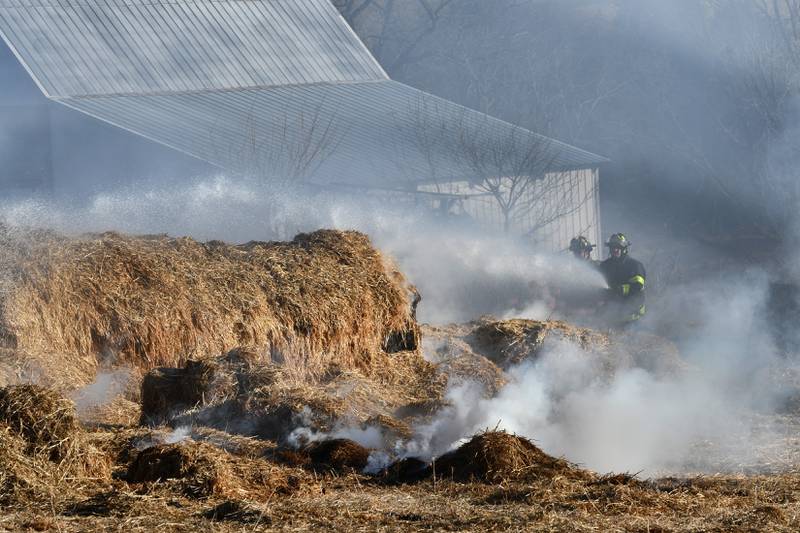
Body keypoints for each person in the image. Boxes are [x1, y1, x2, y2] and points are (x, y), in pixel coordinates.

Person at [597, 233, 646, 327]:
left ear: (624, 248)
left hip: (633, 318)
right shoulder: (605, 266)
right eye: (612, 247)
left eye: (618, 247)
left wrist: (620, 289)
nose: (615, 250)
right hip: (611, 317)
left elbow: (638, 286)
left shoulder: (635, 266)